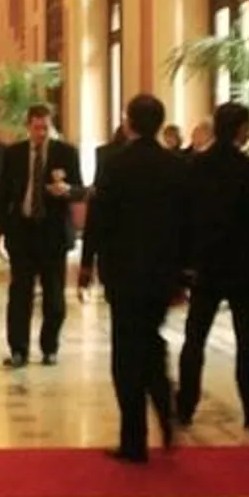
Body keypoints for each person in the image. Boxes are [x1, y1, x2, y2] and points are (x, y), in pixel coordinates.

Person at [89, 94, 188, 463]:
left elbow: (101, 218)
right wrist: (183, 273)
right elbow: (185, 223)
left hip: (124, 273)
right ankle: (166, 412)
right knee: (150, 342)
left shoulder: (115, 164)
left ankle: (134, 439)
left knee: (126, 356)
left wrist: (88, 265)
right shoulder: (176, 166)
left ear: (129, 122)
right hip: (161, 273)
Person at [176, 101, 249, 430]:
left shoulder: (195, 166)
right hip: (244, 266)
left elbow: (186, 217)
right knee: (248, 343)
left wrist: (188, 260)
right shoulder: (248, 168)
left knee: (195, 340)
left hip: (207, 265)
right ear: (239, 129)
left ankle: (185, 406)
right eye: (246, 126)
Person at [0, 105, 85, 367]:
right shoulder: (14, 154)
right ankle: (19, 349)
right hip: (22, 230)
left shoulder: (66, 152)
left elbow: (80, 190)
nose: (41, 133)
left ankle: (49, 347)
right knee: (20, 293)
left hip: (53, 232)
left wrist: (67, 190)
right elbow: (4, 193)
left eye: (46, 127)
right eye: (37, 127)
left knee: (54, 295)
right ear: (28, 126)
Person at [79, 121, 130, 294]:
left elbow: (93, 224)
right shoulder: (167, 164)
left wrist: (86, 263)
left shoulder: (102, 185)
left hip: (111, 250)